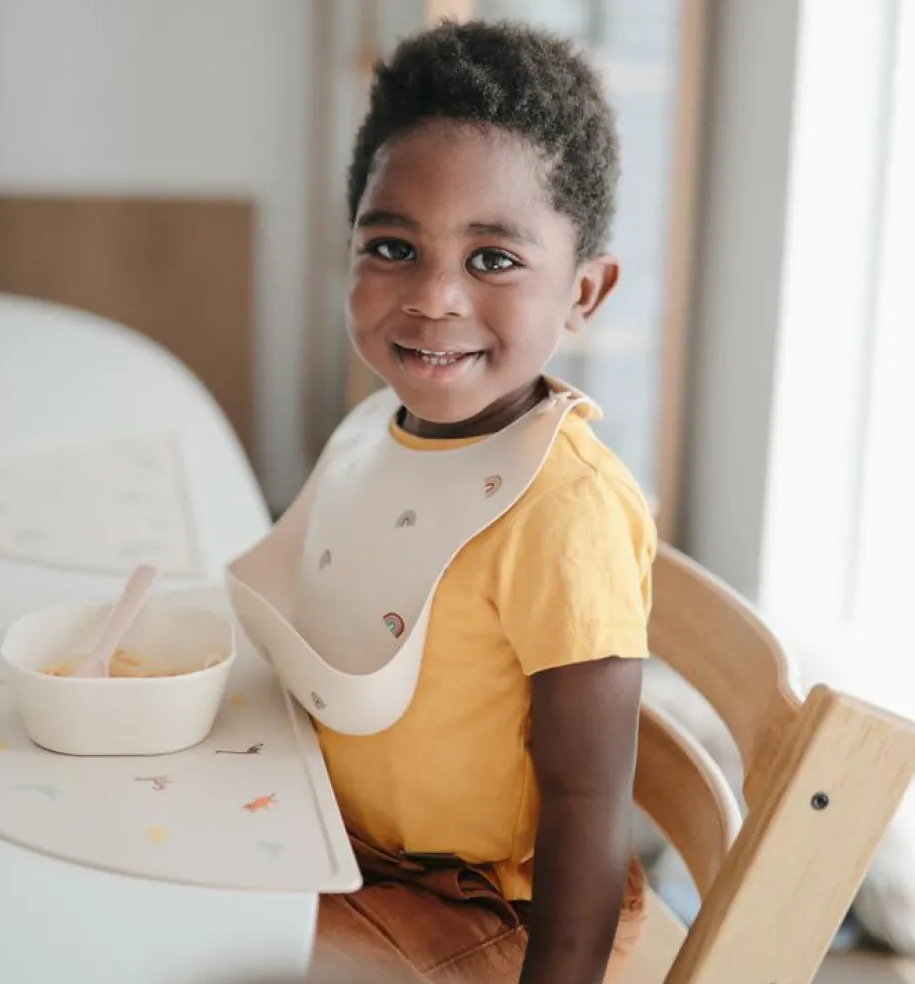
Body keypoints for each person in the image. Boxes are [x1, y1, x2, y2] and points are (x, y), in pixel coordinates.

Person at [232, 16, 656, 984]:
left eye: (492, 259)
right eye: (392, 246)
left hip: (487, 907)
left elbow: (589, 808)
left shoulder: (566, 511)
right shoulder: (377, 430)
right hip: (346, 843)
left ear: (585, 293)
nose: (434, 297)